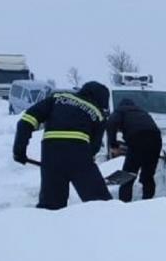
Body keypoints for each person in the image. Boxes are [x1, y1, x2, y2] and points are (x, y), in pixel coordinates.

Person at [13, 81, 111, 209]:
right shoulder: (98, 114)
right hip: (80, 156)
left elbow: (26, 121)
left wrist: (19, 150)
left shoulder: (57, 99)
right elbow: (94, 147)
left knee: (51, 207)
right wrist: (86, 162)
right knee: (101, 204)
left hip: (52, 156)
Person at [107, 97, 163, 201]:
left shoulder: (120, 111)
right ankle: (148, 201)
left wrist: (113, 145)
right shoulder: (142, 112)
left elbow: (111, 124)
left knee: (128, 175)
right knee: (148, 175)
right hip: (156, 140)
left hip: (138, 139)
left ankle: (124, 204)